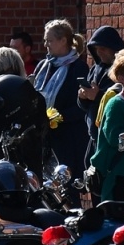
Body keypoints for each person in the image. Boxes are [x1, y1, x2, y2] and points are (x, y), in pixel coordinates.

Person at [88, 49, 124, 202]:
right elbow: (115, 139)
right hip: (120, 176)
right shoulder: (116, 104)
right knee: (121, 221)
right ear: (122, 78)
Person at [32, 19, 89, 172]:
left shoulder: (78, 68)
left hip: (68, 139)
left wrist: (60, 117)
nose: (45, 45)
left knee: (67, 189)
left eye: (49, 40)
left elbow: (83, 106)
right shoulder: (42, 66)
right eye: (45, 40)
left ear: (63, 40)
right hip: (44, 138)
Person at [76, 25, 124, 130]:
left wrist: (98, 96)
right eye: (96, 49)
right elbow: (86, 107)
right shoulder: (95, 69)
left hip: (112, 128)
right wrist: (82, 97)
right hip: (93, 132)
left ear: (114, 48)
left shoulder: (123, 69)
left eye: (103, 48)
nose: (98, 52)